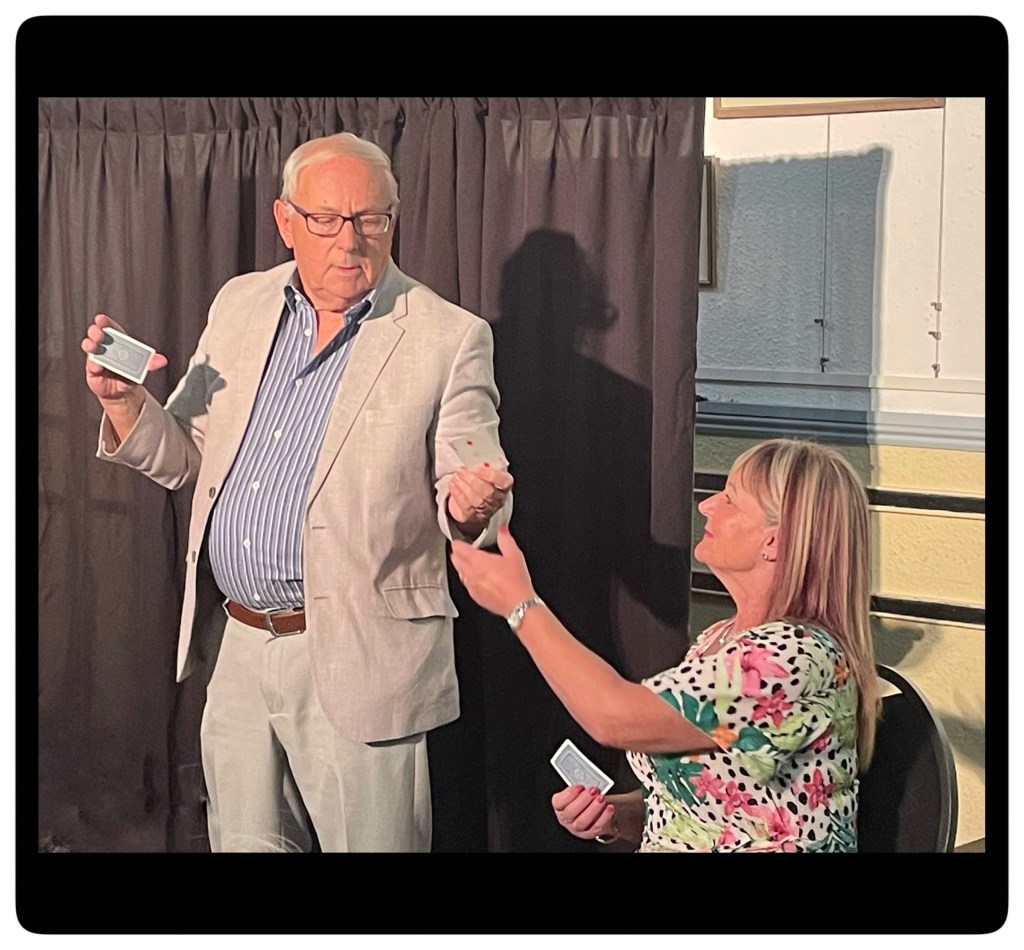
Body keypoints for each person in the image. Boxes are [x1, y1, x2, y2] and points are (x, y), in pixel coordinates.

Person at [81, 131, 513, 853]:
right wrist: (125, 403)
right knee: (246, 843)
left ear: (393, 218)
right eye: (326, 219)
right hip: (238, 642)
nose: (350, 239)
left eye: (370, 218)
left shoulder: (449, 337)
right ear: (286, 220)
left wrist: (474, 506)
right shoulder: (240, 304)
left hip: (363, 654)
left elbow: (472, 481)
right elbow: (187, 456)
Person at [451, 438, 879, 852]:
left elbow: (614, 716)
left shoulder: (790, 657)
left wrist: (520, 605)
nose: (707, 505)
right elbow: (706, 811)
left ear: (774, 542)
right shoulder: (719, 639)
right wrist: (615, 817)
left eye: (731, 499)